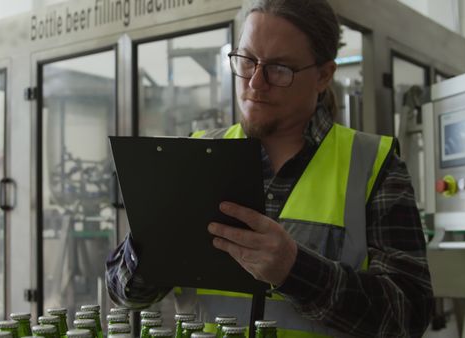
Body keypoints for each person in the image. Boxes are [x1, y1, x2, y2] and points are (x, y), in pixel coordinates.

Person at [106, 0, 434, 337]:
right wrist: (153, 244)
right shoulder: (196, 153)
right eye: (247, 60)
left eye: (279, 69)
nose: (255, 83)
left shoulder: (373, 165)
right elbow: (122, 292)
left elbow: (408, 315)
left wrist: (295, 271)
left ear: (323, 75)